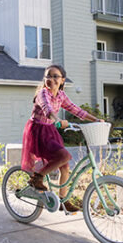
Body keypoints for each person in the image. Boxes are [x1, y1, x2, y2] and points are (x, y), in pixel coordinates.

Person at [20, 64, 102, 212]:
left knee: (65, 167)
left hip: (50, 130)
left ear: (62, 80)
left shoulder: (61, 96)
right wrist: (57, 120)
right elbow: (47, 109)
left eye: (55, 76)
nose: (51, 79)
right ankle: (36, 178)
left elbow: (76, 110)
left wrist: (95, 120)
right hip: (38, 131)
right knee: (64, 156)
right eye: (48, 76)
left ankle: (63, 201)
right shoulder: (43, 94)